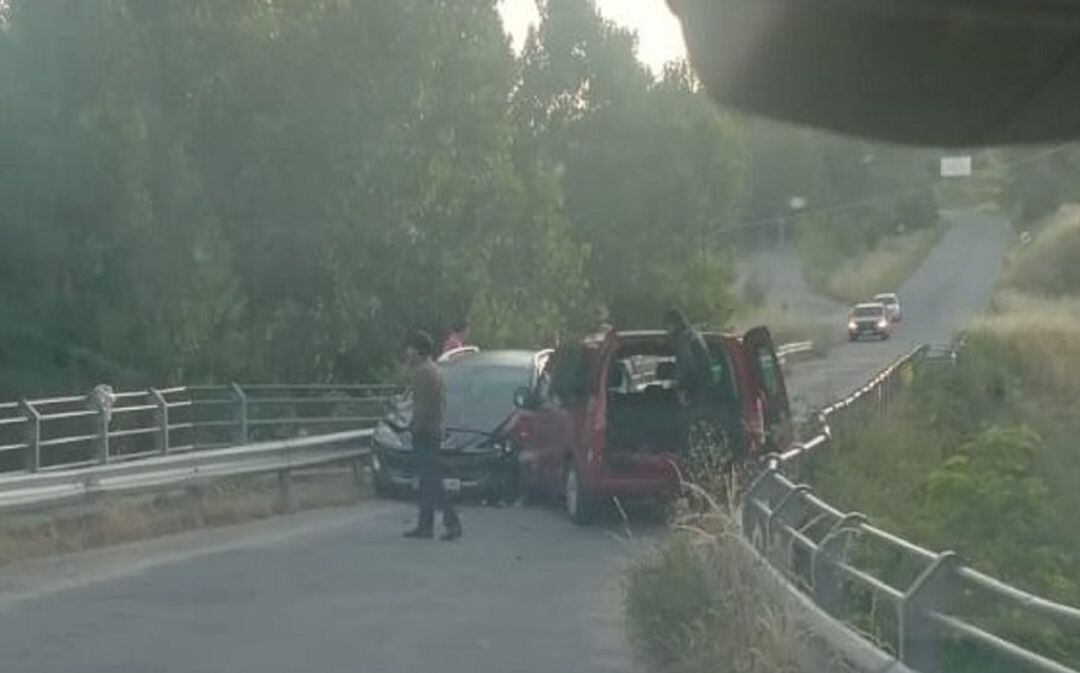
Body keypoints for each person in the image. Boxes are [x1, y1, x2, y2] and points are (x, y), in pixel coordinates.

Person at [402, 330, 462, 541]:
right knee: (428, 482)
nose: (407, 352)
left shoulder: (423, 373)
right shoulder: (433, 369)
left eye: (410, 348)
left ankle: (451, 523)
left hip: (425, 432)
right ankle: (425, 525)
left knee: (432, 481)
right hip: (433, 429)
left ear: (418, 350)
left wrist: (414, 428)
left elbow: (423, 407)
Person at [663, 308, 712, 407]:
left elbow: (685, 365)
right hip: (702, 389)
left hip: (692, 391)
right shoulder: (694, 336)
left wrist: (681, 387)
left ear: (673, 324)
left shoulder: (684, 339)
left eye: (667, 327)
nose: (667, 331)